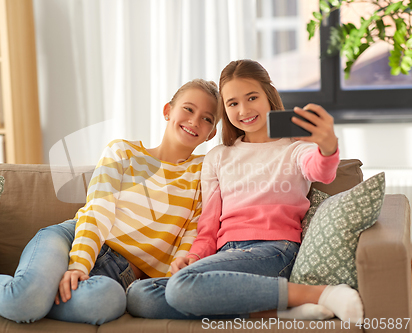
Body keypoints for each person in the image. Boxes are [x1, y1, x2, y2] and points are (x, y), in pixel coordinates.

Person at [0, 78, 221, 325]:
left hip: (119, 277)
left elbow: (193, 231)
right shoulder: (123, 152)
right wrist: (79, 264)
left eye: (207, 118)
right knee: (26, 300)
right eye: (188, 109)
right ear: (168, 110)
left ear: (212, 133)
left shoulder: (203, 171)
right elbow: (98, 211)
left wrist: (175, 276)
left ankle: (6, 300)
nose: (195, 121)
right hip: (72, 238)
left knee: (108, 302)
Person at [126, 59, 364, 323]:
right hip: (227, 255)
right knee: (140, 294)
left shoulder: (296, 149)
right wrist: (193, 256)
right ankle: (276, 311)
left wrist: (328, 147)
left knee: (182, 285)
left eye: (252, 97)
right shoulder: (218, 157)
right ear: (224, 110)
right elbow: (208, 227)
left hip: (274, 251)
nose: (244, 109)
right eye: (233, 103)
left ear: (269, 96)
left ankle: (318, 294)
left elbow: (322, 171)